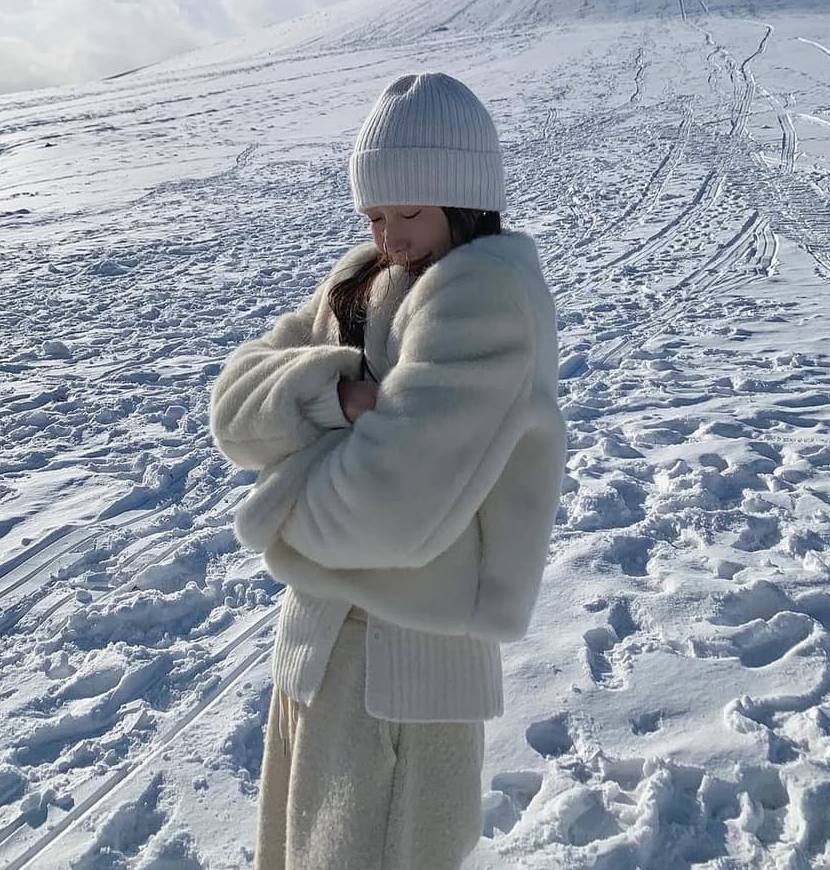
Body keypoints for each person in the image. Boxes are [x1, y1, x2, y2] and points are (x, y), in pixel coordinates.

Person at [209, 71, 567, 870]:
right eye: (374, 214)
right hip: (316, 646)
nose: (388, 235)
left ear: (464, 197)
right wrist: (337, 401)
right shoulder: (361, 278)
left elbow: (385, 510)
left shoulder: (485, 297)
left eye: (407, 211)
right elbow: (232, 412)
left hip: (409, 667)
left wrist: (277, 498)